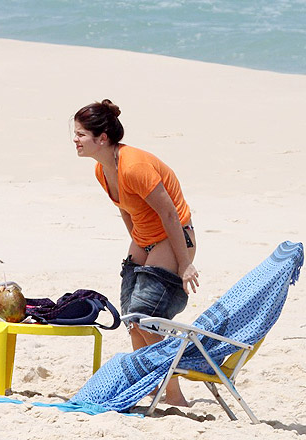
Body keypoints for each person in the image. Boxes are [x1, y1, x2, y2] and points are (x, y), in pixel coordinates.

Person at [73, 99, 198, 406]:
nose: (75, 140)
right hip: (145, 239)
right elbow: (126, 211)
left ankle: (174, 393)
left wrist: (185, 265)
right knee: (132, 316)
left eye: (80, 135)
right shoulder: (102, 171)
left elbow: (170, 216)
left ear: (102, 138)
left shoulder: (135, 166)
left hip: (176, 237)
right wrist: (139, 249)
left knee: (146, 315)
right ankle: (150, 385)